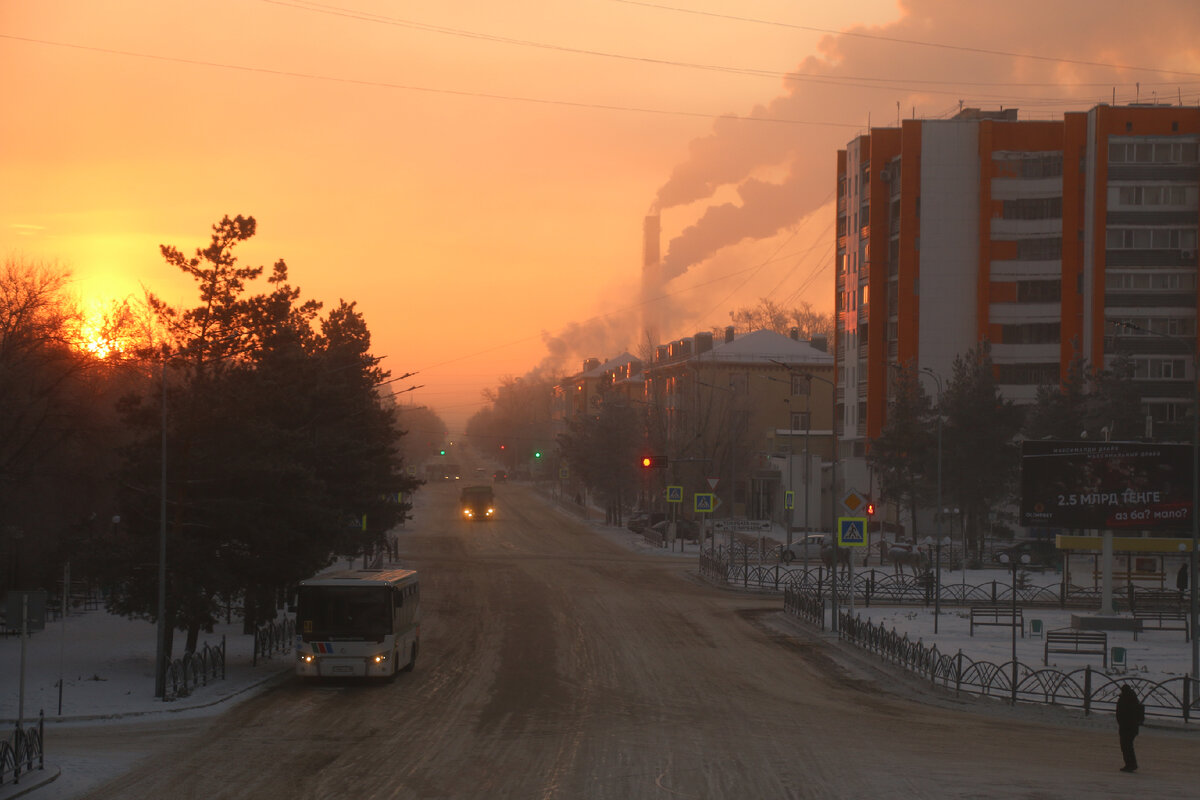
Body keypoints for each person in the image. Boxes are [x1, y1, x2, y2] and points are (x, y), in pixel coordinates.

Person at [1115, 684, 1145, 773]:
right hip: (1132, 728)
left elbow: (1121, 714)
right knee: (1128, 746)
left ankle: (1130, 764)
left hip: (1126, 727)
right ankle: (1131, 764)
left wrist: (1121, 723)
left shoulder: (1124, 699)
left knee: (1126, 746)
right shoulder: (1134, 699)